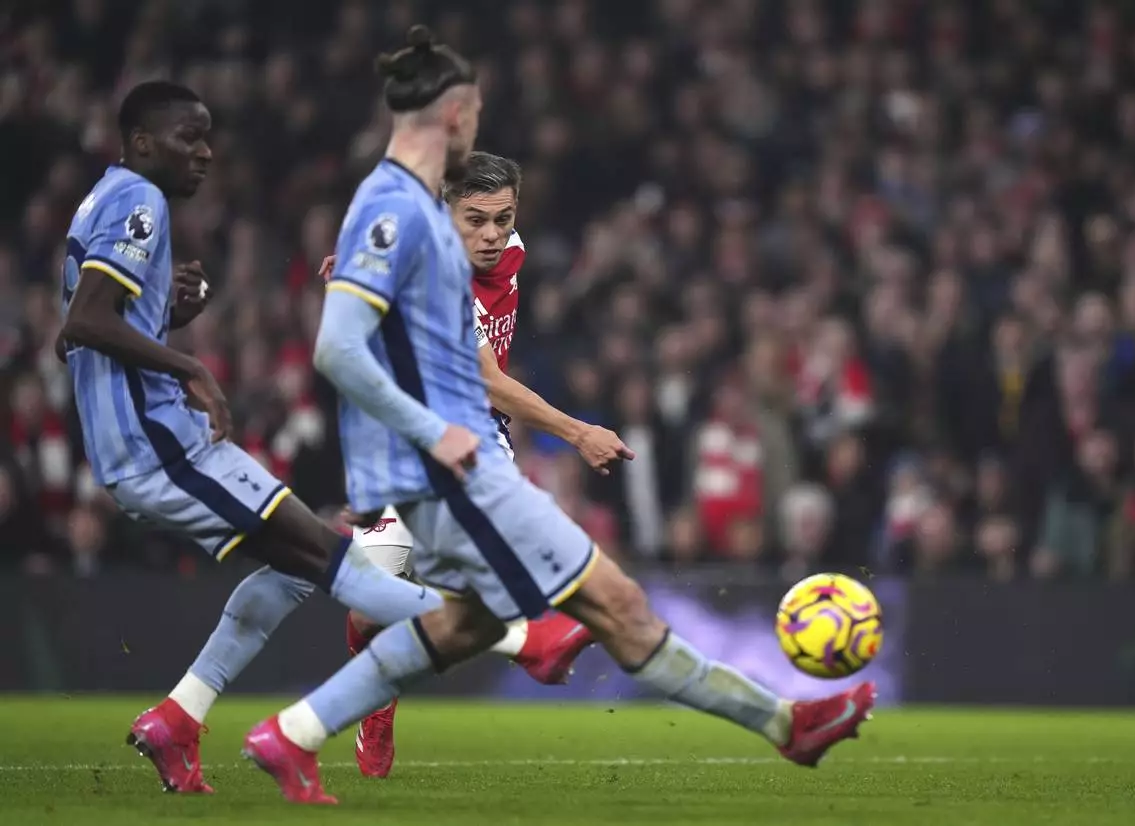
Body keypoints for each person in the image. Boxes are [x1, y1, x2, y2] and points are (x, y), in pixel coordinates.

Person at [241, 26, 875, 805]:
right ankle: (773, 720)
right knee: (614, 605)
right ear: (454, 112)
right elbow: (348, 352)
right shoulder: (399, 213)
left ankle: (295, 733)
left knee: (461, 625)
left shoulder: (428, 219)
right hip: (451, 466)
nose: (491, 232)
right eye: (474, 108)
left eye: (500, 219)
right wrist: (540, 432)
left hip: (453, 462)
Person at [59, 80, 441, 795]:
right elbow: (83, 322)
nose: (205, 152)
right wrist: (191, 366)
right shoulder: (139, 199)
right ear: (141, 142)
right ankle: (520, 630)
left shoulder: (103, 198)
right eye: (188, 137)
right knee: (328, 556)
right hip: (162, 446)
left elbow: (78, 335)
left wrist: (163, 316)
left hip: (138, 447)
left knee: (300, 567)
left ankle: (179, 719)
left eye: (208, 137)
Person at [319, 150, 635, 778]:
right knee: (369, 611)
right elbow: (489, 378)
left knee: (487, 553)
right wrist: (579, 433)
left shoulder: (500, 245)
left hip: (472, 435)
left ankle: (539, 632)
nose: (492, 235)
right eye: (476, 221)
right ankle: (390, 703)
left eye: (503, 219)